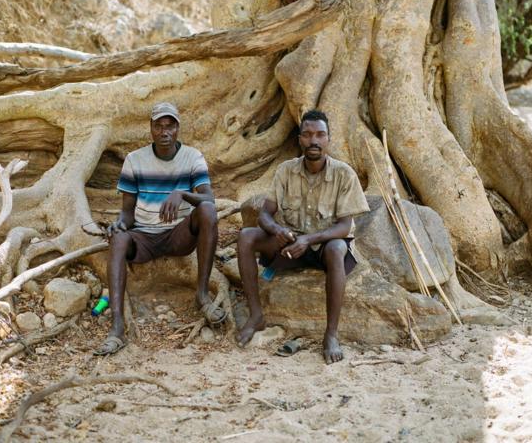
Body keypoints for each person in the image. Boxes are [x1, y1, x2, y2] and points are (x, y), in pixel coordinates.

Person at [236, 109, 370, 364]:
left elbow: (344, 226)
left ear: (329, 139)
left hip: (323, 247)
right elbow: (265, 214)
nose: (314, 141)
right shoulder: (285, 171)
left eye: (320, 135)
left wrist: (308, 240)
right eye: (307, 135)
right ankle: (256, 315)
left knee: (336, 248)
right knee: (246, 236)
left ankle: (331, 334)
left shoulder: (344, 174)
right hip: (289, 245)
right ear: (299, 139)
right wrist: (277, 231)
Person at [95, 102, 223, 355]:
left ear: (178, 129)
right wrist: (119, 225)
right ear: (151, 129)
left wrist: (182, 194)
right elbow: (127, 212)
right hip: (143, 236)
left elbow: (209, 200)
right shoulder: (135, 160)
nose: (165, 132)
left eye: (170, 126)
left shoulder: (192, 157)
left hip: (179, 235)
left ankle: (202, 296)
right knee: (118, 238)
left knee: (207, 211)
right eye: (159, 126)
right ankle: (118, 326)